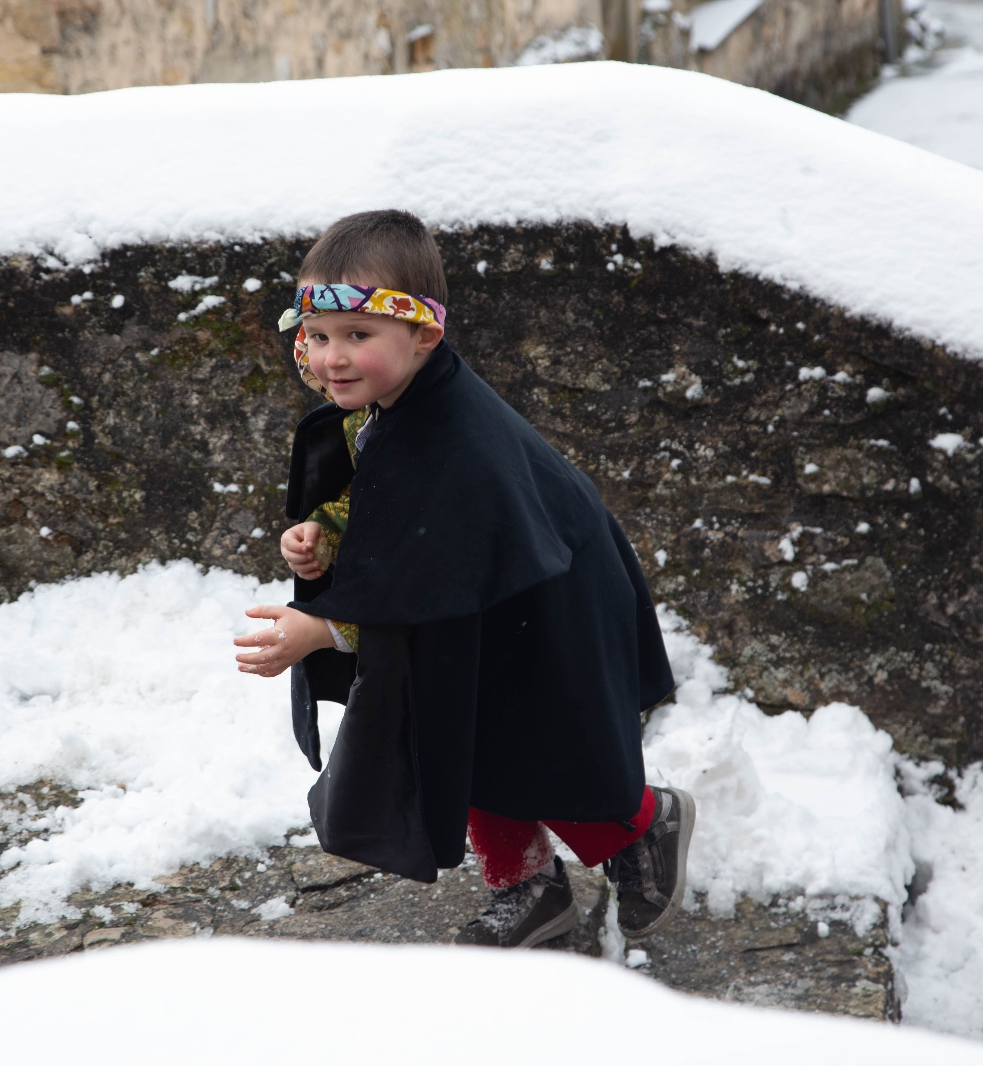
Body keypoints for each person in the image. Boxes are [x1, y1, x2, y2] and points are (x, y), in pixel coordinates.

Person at [232, 209, 694, 949]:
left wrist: (324, 628)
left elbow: (431, 569)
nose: (332, 359)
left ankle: (642, 826)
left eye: (357, 335)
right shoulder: (392, 405)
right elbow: (391, 512)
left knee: (537, 748)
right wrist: (328, 532)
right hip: (491, 599)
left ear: (423, 334)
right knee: (460, 740)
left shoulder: (452, 441)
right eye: (316, 336)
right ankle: (528, 887)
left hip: (545, 602)